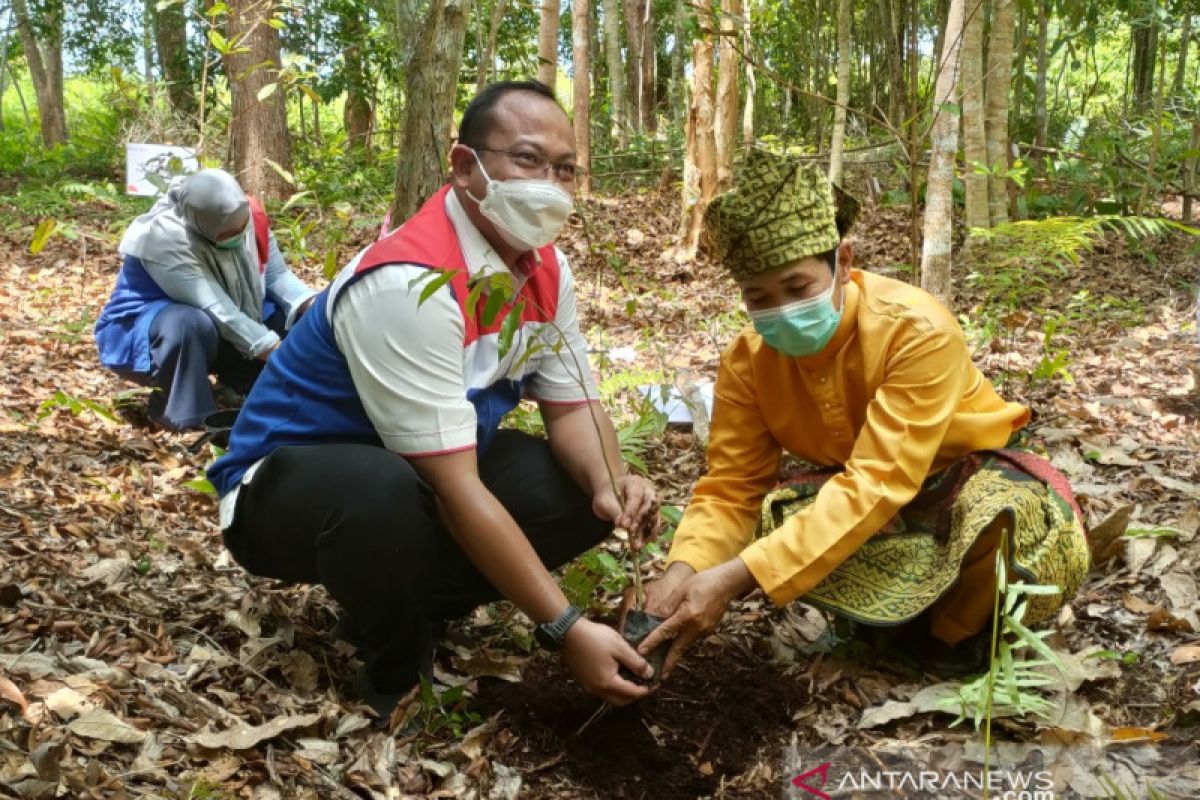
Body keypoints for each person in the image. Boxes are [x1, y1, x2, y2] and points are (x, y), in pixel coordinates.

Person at [207, 80, 658, 717]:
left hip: (427, 466)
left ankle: (403, 599)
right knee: (377, 492)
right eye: (526, 159)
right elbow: (456, 489)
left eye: (564, 168)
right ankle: (396, 662)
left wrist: (611, 479)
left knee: (576, 492)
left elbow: (574, 405)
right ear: (463, 165)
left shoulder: (545, 270)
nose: (549, 184)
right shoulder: (408, 283)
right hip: (289, 491)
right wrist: (566, 629)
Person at [630, 150, 1090, 678]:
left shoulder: (915, 330)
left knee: (1015, 518)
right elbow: (733, 485)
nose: (780, 309)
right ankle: (877, 625)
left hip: (959, 479)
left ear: (843, 262)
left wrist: (736, 578)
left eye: (798, 288)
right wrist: (678, 574)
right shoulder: (747, 361)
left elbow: (879, 479)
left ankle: (958, 637)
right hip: (853, 489)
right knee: (774, 514)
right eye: (759, 297)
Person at [95, 169, 317, 431]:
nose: (237, 234)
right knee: (189, 323)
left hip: (225, 321)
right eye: (226, 234)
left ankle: (239, 387)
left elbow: (276, 277)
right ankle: (184, 413)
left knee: (287, 317)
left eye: (241, 227)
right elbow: (217, 309)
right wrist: (282, 356)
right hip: (152, 334)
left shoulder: (252, 217)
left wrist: (316, 308)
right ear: (200, 226)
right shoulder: (163, 237)